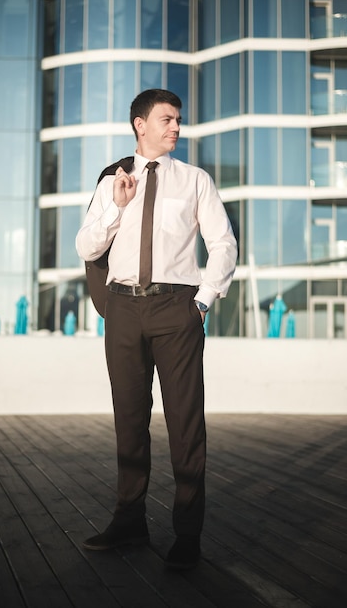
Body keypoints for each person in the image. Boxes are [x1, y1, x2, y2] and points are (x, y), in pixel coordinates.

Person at [75, 89, 237, 570]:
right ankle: (130, 521)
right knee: (129, 418)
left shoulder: (195, 181)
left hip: (177, 309)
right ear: (139, 124)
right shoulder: (113, 181)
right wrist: (117, 207)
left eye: (179, 120)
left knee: (186, 424)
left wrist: (202, 302)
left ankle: (187, 536)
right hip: (123, 310)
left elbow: (223, 244)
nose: (176, 127)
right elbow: (86, 247)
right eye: (167, 119)